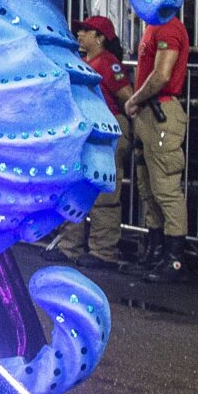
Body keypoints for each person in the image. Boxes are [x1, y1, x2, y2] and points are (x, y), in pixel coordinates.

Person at [122, 0, 190, 281]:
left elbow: (162, 75)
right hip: (151, 112)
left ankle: (174, 259)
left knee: (164, 188)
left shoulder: (168, 28)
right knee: (150, 188)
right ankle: (156, 251)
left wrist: (135, 99)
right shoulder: (155, 26)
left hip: (161, 111)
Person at [67, 16, 129, 272]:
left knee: (105, 192)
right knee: (78, 187)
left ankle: (103, 251)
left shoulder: (108, 64)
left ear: (100, 38)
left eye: (86, 31)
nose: (80, 35)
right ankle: (70, 247)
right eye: (80, 31)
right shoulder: (83, 62)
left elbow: (127, 97)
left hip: (108, 129)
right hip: (88, 129)